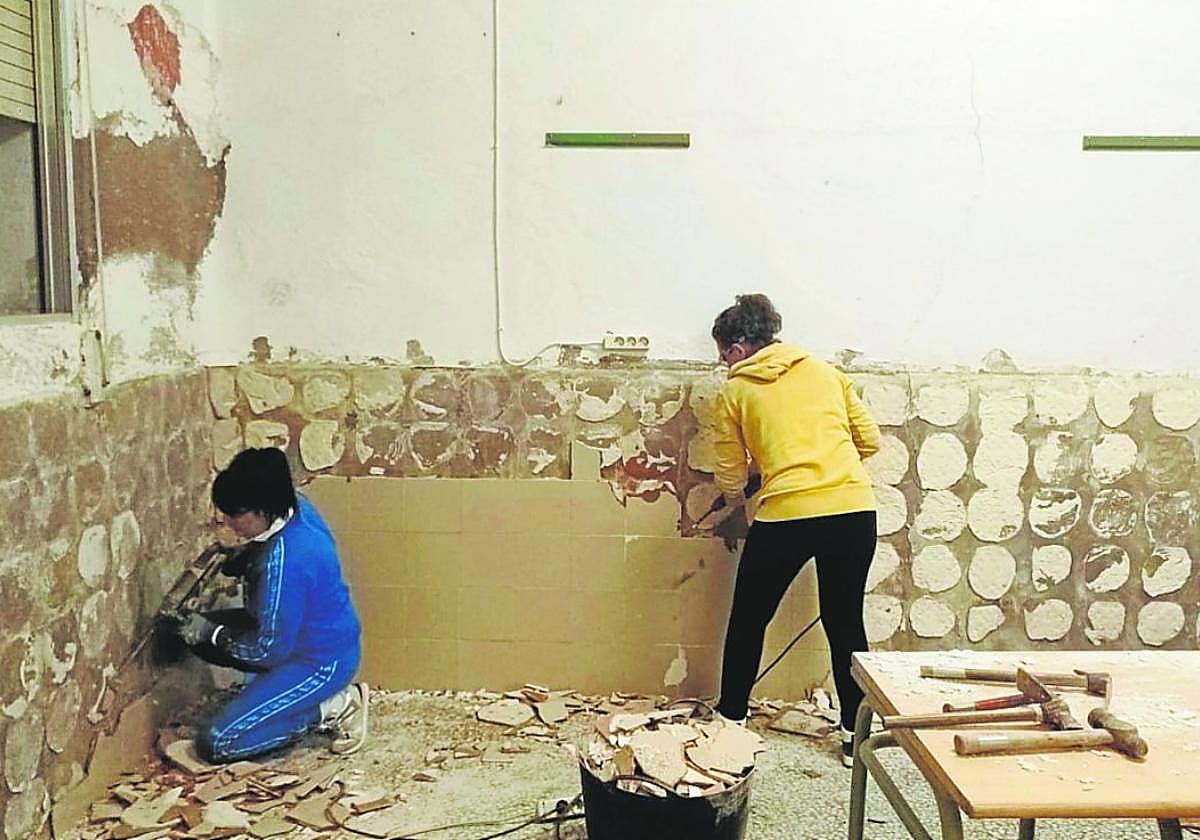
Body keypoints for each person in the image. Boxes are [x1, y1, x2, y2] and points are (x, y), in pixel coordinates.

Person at [710, 294, 880, 767]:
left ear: (740, 348)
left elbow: (728, 476)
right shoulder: (827, 372)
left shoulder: (735, 392)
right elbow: (871, 440)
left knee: (748, 619)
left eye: (723, 353)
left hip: (786, 514)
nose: (722, 363)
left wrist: (754, 480)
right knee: (845, 623)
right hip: (853, 508)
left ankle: (730, 724)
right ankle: (855, 736)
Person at [174, 447, 369, 762]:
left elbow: (268, 651)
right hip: (310, 636)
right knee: (202, 638)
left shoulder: (287, 563)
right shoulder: (295, 506)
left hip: (317, 662)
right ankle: (273, 698)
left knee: (217, 742)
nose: (225, 521)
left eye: (235, 514)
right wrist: (247, 556)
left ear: (262, 512)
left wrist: (214, 634)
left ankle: (332, 708)